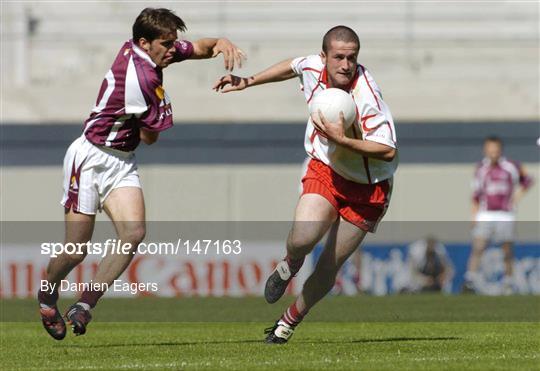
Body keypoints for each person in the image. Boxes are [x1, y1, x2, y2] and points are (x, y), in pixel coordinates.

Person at [37, 8, 245, 340]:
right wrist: (157, 110)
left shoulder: (150, 52)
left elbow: (200, 48)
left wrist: (221, 42)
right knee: (77, 250)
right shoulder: (142, 80)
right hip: (89, 158)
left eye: (174, 42)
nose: (173, 49)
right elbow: (151, 137)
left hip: (121, 159)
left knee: (133, 233)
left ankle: (85, 304)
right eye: (167, 44)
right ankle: (47, 294)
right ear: (145, 43)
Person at [214, 25, 398, 343]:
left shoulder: (366, 94)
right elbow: (292, 66)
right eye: (338, 57)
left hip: (369, 187)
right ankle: (291, 263)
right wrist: (248, 82)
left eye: (351, 58)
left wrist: (343, 140)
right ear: (324, 56)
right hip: (326, 168)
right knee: (302, 237)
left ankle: (288, 321)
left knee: (330, 263)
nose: (345, 64)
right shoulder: (313, 66)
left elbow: (388, 149)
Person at [463, 136, 533, 294]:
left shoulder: (511, 166)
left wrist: (517, 196)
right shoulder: (481, 168)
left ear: (500, 150)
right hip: (485, 213)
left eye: (495, 150)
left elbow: (527, 180)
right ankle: (470, 281)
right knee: (478, 247)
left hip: (505, 214)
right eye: (490, 150)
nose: (493, 153)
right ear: (485, 150)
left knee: (507, 250)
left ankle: (508, 283)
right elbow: (476, 195)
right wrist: (473, 215)